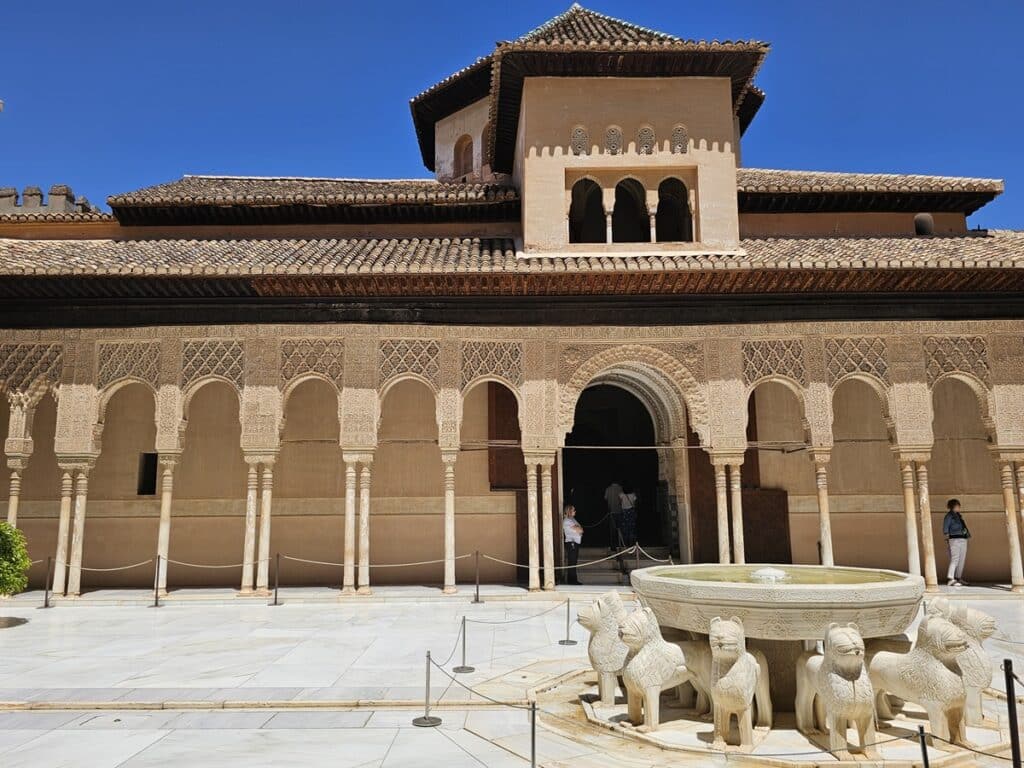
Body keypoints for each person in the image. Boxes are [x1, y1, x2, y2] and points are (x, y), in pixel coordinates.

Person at [943, 498, 971, 587]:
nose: (959, 507)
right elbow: (945, 528)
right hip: (954, 539)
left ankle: (958, 578)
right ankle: (951, 579)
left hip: (963, 538)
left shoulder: (959, 515)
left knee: (962, 559)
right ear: (953, 506)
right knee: (955, 559)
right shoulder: (949, 516)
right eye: (958, 505)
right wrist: (948, 538)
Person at [563, 504, 584, 586]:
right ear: (569, 511)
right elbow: (579, 530)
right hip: (571, 543)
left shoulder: (573, 520)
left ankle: (573, 580)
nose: (575, 511)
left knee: (574, 562)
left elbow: (581, 529)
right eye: (574, 510)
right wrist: (579, 528)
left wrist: (579, 528)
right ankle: (572, 581)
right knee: (572, 562)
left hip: (575, 543)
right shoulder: (567, 521)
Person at [603, 480, 624, 550]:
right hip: (619, 511)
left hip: (611, 512)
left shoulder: (608, 489)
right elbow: (622, 499)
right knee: (619, 529)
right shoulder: (620, 488)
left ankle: (613, 546)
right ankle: (620, 545)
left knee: (612, 530)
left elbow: (605, 498)